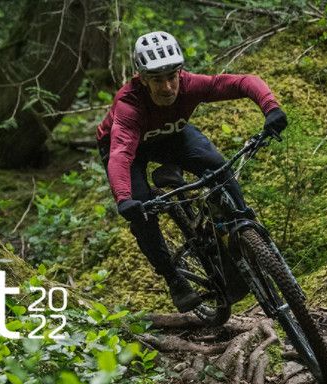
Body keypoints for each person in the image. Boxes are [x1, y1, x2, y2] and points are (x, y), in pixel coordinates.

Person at [96, 31, 288, 313]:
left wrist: (270, 107)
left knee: (218, 168)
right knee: (143, 214)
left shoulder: (189, 85)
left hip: (171, 134)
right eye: (157, 80)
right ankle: (174, 279)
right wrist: (124, 198)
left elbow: (243, 82)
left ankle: (243, 227)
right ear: (143, 79)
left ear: (180, 72)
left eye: (172, 76)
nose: (167, 87)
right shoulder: (130, 105)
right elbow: (120, 154)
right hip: (128, 148)